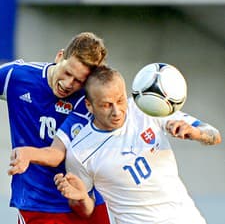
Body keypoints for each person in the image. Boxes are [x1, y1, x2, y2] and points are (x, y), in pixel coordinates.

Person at [9, 65, 222, 224]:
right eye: (106, 105)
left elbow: (214, 135)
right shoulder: (81, 151)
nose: (117, 111)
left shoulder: (147, 109)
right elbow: (87, 210)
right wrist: (81, 197)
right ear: (89, 106)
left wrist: (196, 133)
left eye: (120, 100)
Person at [1, 32, 110, 224]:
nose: (69, 84)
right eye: (67, 73)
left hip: (83, 201)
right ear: (60, 56)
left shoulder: (87, 101)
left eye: (79, 81)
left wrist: (27, 153)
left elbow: (56, 154)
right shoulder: (17, 76)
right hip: (37, 204)